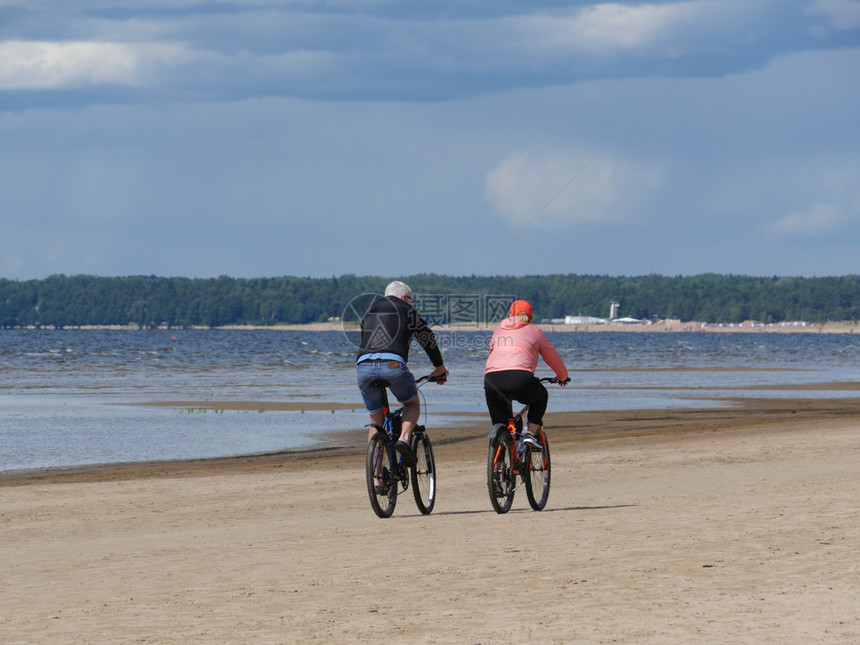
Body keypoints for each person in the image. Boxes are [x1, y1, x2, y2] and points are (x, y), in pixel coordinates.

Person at [356, 281, 448, 465]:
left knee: (376, 420)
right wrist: (439, 367)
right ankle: (404, 439)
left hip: (363, 366)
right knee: (412, 403)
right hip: (392, 366)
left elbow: (365, 338)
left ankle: (376, 476)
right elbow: (427, 337)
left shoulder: (369, 310)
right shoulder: (407, 310)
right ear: (405, 298)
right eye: (410, 300)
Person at [484, 299, 568, 448]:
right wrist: (562, 376)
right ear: (530, 317)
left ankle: (496, 467)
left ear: (510, 315)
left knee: (500, 426)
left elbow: (492, 354)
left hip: (492, 380)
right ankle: (530, 433)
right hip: (520, 378)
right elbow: (551, 355)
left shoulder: (498, 330)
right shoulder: (535, 331)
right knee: (541, 397)